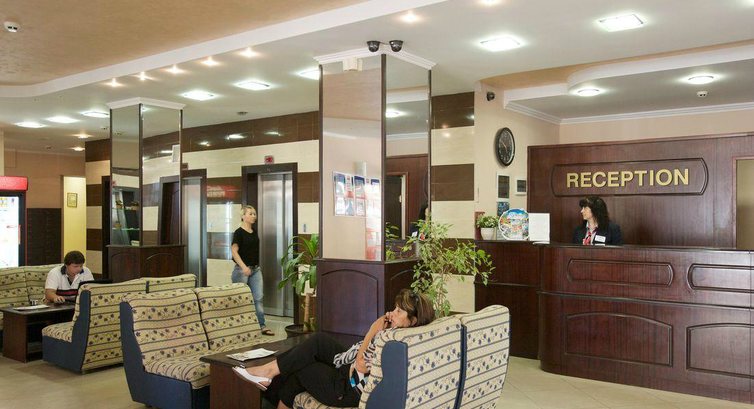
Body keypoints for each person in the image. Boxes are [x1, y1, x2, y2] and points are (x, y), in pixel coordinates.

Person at [233, 289, 435, 409]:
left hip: (346, 388)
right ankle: (269, 371)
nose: (391, 312)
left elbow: (359, 366)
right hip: (348, 371)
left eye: (399, 311)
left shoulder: (391, 344)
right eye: (395, 308)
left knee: (303, 369)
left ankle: (268, 374)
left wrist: (373, 329)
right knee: (318, 341)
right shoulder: (403, 335)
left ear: (412, 320)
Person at [231, 204, 274, 336]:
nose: (254, 216)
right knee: (241, 299)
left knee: (258, 298)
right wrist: (244, 267)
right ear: (243, 216)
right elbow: (234, 251)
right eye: (250, 213)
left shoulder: (254, 232)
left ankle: (262, 325)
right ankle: (238, 326)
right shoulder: (238, 232)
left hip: (255, 270)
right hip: (241, 271)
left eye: (254, 213)